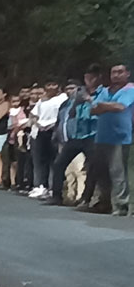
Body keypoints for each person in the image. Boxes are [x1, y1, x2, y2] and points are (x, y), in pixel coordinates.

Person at [84, 63, 134, 215]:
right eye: (113, 72)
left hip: (121, 137)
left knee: (118, 172)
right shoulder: (105, 90)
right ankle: (104, 203)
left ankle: (121, 205)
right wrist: (102, 105)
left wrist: (99, 104)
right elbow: (92, 110)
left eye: (120, 72)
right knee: (101, 172)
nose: (116, 75)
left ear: (128, 74)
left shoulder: (130, 89)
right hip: (102, 136)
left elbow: (120, 107)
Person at [48, 74, 96, 206]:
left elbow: (93, 116)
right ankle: (56, 196)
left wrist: (87, 100)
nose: (71, 91)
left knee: (89, 167)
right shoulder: (65, 104)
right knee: (58, 164)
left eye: (74, 88)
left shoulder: (89, 99)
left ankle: (85, 198)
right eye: (68, 88)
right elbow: (62, 121)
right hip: (73, 138)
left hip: (90, 137)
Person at [28, 80, 67, 198]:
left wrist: (53, 125)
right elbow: (33, 114)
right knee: (39, 160)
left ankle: (52, 187)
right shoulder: (42, 100)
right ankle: (40, 185)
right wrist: (36, 123)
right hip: (39, 131)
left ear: (59, 86)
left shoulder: (62, 98)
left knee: (53, 160)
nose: (51, 87)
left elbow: (62, 115)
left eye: (53, 84)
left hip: (53, 130)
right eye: (48, 85)